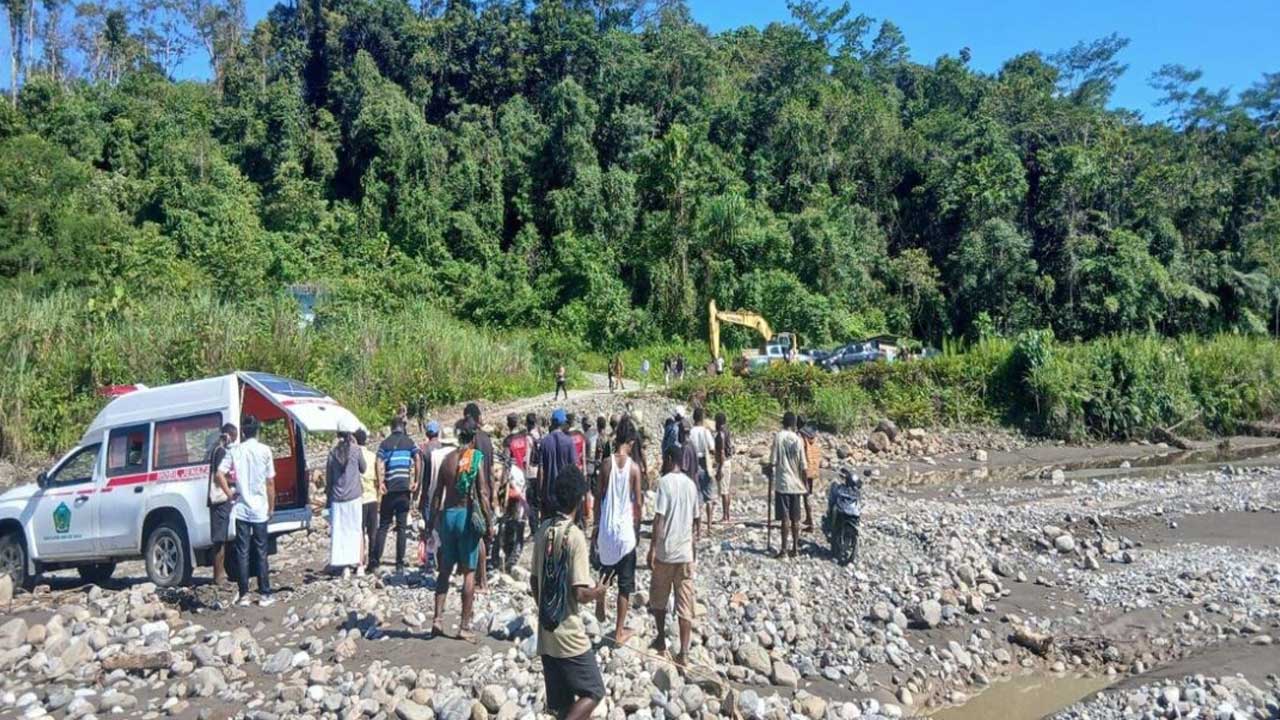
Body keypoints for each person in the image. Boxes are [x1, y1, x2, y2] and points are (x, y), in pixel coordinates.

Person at [531, 466, 608, 720]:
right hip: (569, 634)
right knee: (594, 691)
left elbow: (534, 581)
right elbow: (580, 594)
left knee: (563, 705)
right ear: (579, 499)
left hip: (546, 632)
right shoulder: (575, 537)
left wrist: (545, 609)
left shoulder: (543, 529)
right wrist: (598, 592)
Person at [426, 419, 494, 639]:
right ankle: (464, 626)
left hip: (448, 516)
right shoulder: (475, 458)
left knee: (445, 570)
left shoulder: (447, 460)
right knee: (469, 572)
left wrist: (430, 524)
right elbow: (483, 493)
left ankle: (437, 620)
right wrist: (489, 522)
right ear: (473, 437)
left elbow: (437, 495)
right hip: (465, 517)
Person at [648, 445, 699, 665]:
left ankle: (661, 639)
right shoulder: (691, 485)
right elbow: (696, 521)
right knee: (685, 603)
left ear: (669, 459)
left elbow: (659, 518)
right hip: (685, 553)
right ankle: (684, 652)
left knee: (659, 598)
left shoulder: (664, 483)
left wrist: (652, 547)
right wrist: (693, 547)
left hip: (666, 552)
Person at [217, 415, 276, 607]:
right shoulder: (265, 450)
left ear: (242, 431)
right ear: (257, 431)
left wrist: (230, 494)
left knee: (242, 551)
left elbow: (219, 474)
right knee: (261, 551)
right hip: (259, 507)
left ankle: (244, 594)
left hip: (241, 507)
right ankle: (265, 593)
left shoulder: (235, 451)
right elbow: (270, 482)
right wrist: (271, 506)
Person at [593, 423, 642, 646]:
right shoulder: (634, 469)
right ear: (630, 442)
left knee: (606, 569)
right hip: (624, 532)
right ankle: (619, 632)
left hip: (606, 528)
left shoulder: (606, 464)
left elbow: (597, 498)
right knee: (625, 586)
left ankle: (600, 594)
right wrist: (637, 526)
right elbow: (638, 503)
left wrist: (596, 527)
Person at [372, 417, 422, 575]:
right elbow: (418, 458)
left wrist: (380, 482)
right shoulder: (409, 442)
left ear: (391, 427)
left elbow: (378, 461)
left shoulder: (385, 443)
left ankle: (375, 561)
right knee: (401, 528)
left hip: (390, 489)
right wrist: (416, 481)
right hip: (404, 489)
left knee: (383, 526)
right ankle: (399, 564)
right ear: (402, 427)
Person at [326, 419, 367, 576]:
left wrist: (328, 499)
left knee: (341, 532)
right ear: (350, 433)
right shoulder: (355, 450)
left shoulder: (332, 453)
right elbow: (363, 468)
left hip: (338, 498)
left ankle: (345, 567)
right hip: (354, 495)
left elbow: (329, 479)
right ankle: (359, 565)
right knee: (356, 530)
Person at [769, 412, 808, 559]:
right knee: (795, 519)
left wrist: (769, 471)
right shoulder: (798, 440)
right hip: (796, 484)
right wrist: (805, 485)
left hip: (783, 483)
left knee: (785, 518)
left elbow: (773, 461)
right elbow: (804, 466)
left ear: (783, 422)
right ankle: (795, 549)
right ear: (793, 424)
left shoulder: (778, 437)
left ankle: (784, 550)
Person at [536, 409, 577, 538]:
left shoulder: (544, 442)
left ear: (552, 423)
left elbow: (541, 471)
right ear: (563, 423)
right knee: (565, 530)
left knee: (548, 530)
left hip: (549, 494)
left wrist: (540, 493)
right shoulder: (569, 442)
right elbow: (573, 469)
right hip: (565, 494)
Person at [206, 423, 238, 589]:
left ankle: (220, 573)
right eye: (233, 438)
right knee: (219, 538)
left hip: (218, 499)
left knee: (221, 537)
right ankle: (219, 576)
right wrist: (232, 485)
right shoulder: (220, 452)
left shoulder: (215, 451)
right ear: (227, 436)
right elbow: (219, 476)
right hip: (219, 499)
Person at [687, 407, 717, 530]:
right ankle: (709, 524)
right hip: (705, 464)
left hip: (693, 464)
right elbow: (712, 448)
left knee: (697, 497)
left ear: (693, 418)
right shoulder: (705, 432)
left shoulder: (690, 432)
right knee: (708, 496)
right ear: (702, 418)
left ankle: (697, 527)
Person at [355, 428, 378, 575]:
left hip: (359, 499)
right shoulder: (372, 456)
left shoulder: (354, 455)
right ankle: (373, 562)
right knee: (372, 531)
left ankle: (360, 562)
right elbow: (378, 476)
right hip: (372, 497)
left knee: (360, 532)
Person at [799, 418, 821, 532]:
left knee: (805, 495)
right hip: (813, 469)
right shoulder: (813, 436)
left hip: (805, 469)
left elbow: (799, 453)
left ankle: (810, 522)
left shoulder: (802, 436)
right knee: (807, 495)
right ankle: (808, 518)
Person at [713, 413, 734, 523]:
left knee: (724, 491)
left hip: (723, 463)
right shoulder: (727, 431)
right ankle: (727, 515)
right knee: (726, 489)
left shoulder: (720, 434)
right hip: (727, 462)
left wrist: (719, 469)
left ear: (718, 422)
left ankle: (725, 516)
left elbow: (721, 452)